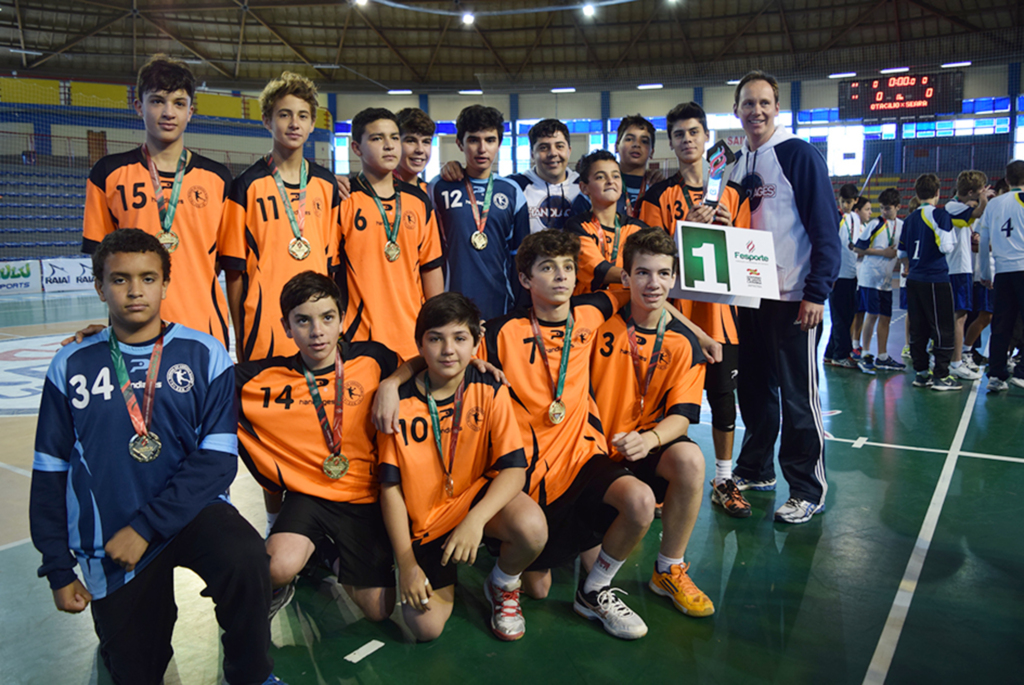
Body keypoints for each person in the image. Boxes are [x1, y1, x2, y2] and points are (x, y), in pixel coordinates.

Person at [30, 229, 283, 685]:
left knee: (246, 557)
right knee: (136, 669)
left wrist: (145, 526)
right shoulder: (72, 364)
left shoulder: (205, 353)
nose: (135, 291)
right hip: (111, 531)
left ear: (166, 284)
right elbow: (50, 469)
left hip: (191, 511)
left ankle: (252, 674)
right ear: (99, 286)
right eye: (120, 279)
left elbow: (218, 459)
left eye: (148, 278)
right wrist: (57, 567)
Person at [378, 293, 547, 642]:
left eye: (459, 338)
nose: (448, 350)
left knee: (532, 528)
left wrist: (475, 520)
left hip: (471, 501)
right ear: (419, 345)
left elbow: (514, 469)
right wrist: (407, 563)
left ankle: (502, 583)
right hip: (425, 523)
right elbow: (390, 489)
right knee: (425, 629)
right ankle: (427, 568)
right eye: (435, 339)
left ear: (476, 343)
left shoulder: (490, 387)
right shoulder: (399, 401)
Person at [235, 271, 398, 623]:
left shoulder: (373, 360)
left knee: (379, 612)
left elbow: (424, 370)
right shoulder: (262, 379)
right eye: (303, 321)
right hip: (308, 497)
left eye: (327, 318)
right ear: (286, 326)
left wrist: (394, 383)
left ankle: (325, 551)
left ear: (342, 318)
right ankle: (307, 552)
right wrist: (108, 341)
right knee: (275, 568)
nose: (317, 331)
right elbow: (198, 377)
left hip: (362, 498)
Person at [728, 70, 841, 524]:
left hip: (794, 297)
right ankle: (756, 468)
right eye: (748, 104)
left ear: (777, 108)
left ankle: (806, 488)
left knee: (799, 396)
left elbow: (825, 230)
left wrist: (817, 292)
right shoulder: (735, 165)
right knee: (755, 392)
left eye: (764, 103)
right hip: (748, 299)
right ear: (736, 111)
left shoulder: (798, 155)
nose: (756, 111)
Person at [590, 227, 715, 616]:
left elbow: (682, 418)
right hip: (590, 451)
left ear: (674, 278)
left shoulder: (682, 343)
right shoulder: (597, 317)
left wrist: (650, 439)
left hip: (642, 448)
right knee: (546, 580)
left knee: (692, 461)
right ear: (625, 278)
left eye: (663, 273)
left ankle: (668, 568)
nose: (653, 283)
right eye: (642, 273)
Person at [640, 100, 752, 518]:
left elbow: (745, 257)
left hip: (721, 317)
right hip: (675, 318)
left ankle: (724, 479)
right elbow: (650, 259)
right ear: (671, 143)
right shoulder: (659, 196)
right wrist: (684, 226)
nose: (687, 140)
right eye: (679, 135)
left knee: (724, 400)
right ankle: (662, 479)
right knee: (669, 401)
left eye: (693, 132)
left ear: (707, 138)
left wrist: (729, 227)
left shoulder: (734, 194)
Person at [82, 54, 233, 348]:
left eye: (178, 103)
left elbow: (222, 263)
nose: (168, 112)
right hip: (132, 332)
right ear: (138, 106)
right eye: (157, 101)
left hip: (204, 328)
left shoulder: (219, 178)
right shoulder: (108, 173)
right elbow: (101, 263)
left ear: (191, 111)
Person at [221, 71, 340, 362]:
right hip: (264, 326)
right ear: (267, 121)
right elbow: (235, 271)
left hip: (317, 327)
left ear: (313, 124)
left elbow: (332, 265)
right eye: (284, 115)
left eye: (302, 116)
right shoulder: (246, 185)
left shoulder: (326, 184)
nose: (294, 123)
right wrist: (240, 332)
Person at [338, 107, 444, 362]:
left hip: (412, 337)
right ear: (356, 148)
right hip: (358, 339)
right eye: (377, 138)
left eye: (395, 137)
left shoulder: (419, 201)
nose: (389, 146)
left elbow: (430, 269)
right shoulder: (343, 199)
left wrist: (439, 326)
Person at [429, 105, 530, 319]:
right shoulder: (438, 187)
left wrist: (519, 307)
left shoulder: (512, 192)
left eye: (490, 140)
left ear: (499, 144)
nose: (482, 149)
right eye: (473, 140)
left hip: (500, 302)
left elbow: (520, 258)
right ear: (459, 143)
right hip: (451, 301)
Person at [899, 173, 980, 391]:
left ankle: (921, 372)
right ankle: (942, 375)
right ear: (938, 193)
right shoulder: (940, 215)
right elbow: (946, 246)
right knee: (943, 327)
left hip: (913, 279)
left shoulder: (908, 219)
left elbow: (902, 252)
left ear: (916, 193)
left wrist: (909, 267)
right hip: (935, 278)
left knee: (919, 328)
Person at [441, 118, 580, 233]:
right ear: (532, 154)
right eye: (543, 147)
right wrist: (454, 168)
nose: (553, 153)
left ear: (569, 150)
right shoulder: (514, 186)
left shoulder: (584, 187)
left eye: (559, 146)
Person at [564, 150, 651, 295]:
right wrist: (644, 276)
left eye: (615, 176)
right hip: (588, 307)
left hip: (629, 307)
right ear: (584, 188)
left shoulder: (637, 228)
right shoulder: (576, 227)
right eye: (600, 177)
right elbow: (599, 271)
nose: (610, 181)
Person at [977, 160, 1024, 392]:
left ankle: (996, 374)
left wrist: (985, 272)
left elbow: (984, 241)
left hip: (1002, 271)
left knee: (1001, 324)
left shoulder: (994, 205)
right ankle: (1022, 372)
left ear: (1006, 180)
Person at [570, 115, 663, 218]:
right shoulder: (597, 188)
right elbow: (575, 228)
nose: (636, 144)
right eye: (629, 139)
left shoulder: (659, 189)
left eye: (644, 141)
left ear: (652, 151)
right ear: (616, 146)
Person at [945, 170, 990, 380]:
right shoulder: (954, 207)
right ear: (971, 192)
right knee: (958, 317)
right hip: (956, 269)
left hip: (962, 268)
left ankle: (954, 359)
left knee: (960, 317)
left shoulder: (959, 208)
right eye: (980, 191)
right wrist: (983, 200)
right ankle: (955, 362)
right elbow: (980, 212)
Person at [854, 188, 905, 371]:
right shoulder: (875, 224)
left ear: (898, 207)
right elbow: (858, 248)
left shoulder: (901, 226)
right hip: (869, 278)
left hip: (886, 281)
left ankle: (882, 356)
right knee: (872, 314)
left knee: (885, 317)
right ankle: (866, 352)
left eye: (888, 208)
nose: (884, 212)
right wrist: (883, 252)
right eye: (882, 208)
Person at [825, 183, 863, 368]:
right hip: (838, 276)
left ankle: (830, 352)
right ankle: (841, 355)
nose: (845, 205)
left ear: (855, 201)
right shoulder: (836, 218)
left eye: (849, 202)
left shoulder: (855, 219)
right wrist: (830, 274)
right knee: (840, 318)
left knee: (846, 317)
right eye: (843, 201)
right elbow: (831, 247)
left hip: (851, 273)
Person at [395, 107, 436, 191]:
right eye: (411, 141)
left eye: (426, 142)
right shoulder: (377, 190)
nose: (420, 150)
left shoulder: (430, 192)